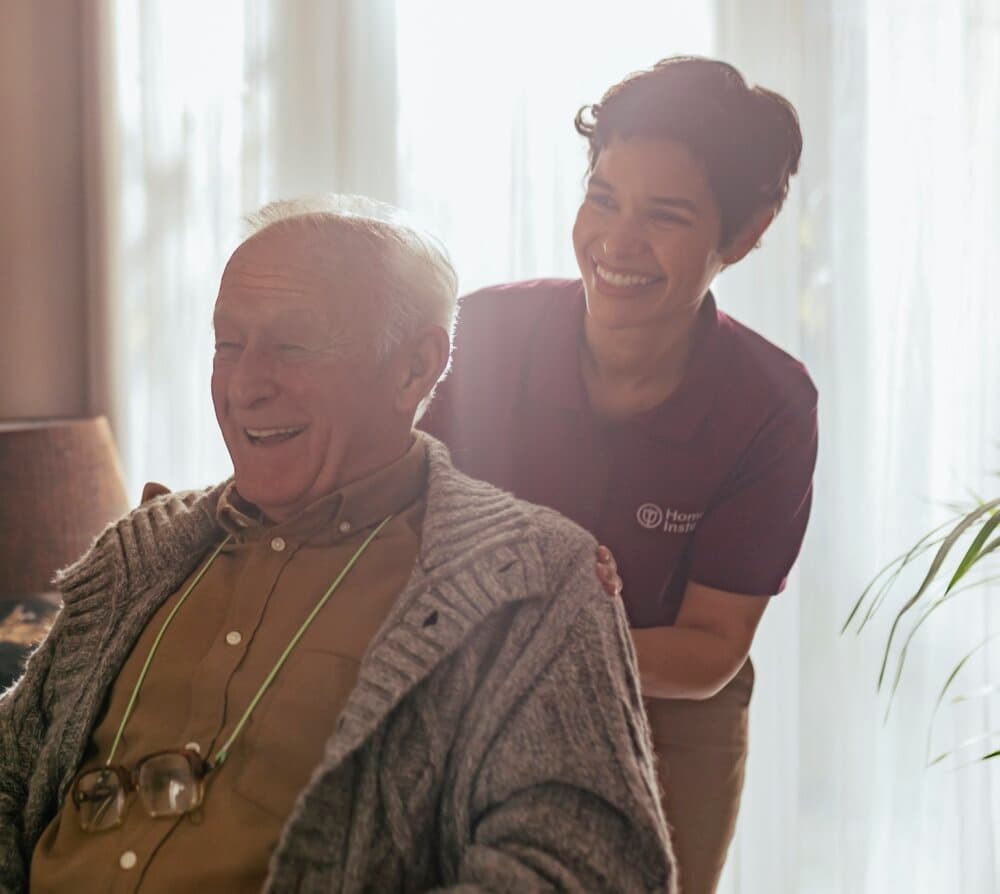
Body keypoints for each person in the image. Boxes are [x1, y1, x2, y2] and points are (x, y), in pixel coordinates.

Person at [0, 198, 674, 893]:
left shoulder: (535, 579)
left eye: (292, 347)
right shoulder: (137, 554)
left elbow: (585, 872)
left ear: (415, 369)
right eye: (227, 346)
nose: (246, 386)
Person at [420, 56, 818, 893]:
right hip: (471, 689)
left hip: (665, 717)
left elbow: (710, 647)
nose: (617, 243)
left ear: (745, 233)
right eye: (603, 199)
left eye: (665, 217)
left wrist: (549, 635)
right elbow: (396, 524)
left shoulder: (770, 406)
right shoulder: (485, 333)